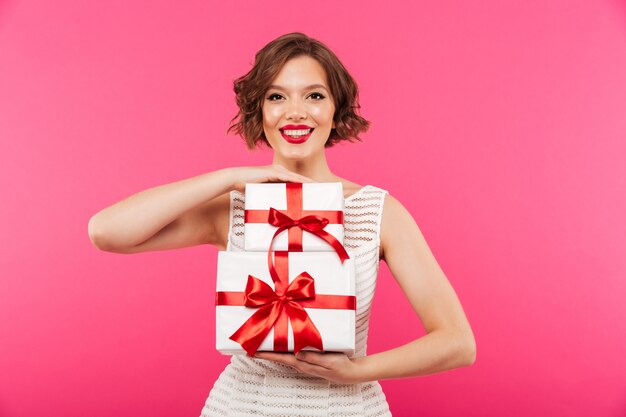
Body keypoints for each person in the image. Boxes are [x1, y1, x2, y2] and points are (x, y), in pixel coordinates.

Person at [88, 32, 476, 417]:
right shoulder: (233, 207)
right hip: (241, 407)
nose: (295, 111)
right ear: (258, 111)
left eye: (314, 95)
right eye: (276, 96)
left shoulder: (378, 211)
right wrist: (229, 177)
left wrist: (357, 371)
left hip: (346, 408)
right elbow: (107, 232)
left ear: (336, 108)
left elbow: (457, 342)